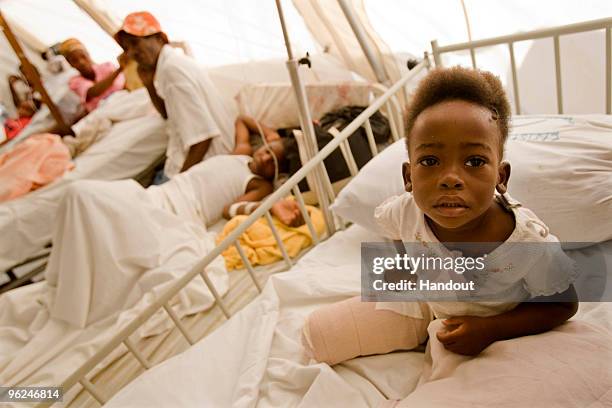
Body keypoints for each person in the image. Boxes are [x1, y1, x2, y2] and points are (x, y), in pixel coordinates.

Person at [303, 67, 578, 366]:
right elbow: (399, 232)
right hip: (428, 300)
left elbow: (565, 305)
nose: (450, 178)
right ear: (408, 177)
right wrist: (407, 269)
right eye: (431, 160)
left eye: (474, 161)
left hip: (495, 325)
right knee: (317, 337)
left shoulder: (527, 243)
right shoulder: (405, 210)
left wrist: (491, 329)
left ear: (501, 177)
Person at [114, 12, 235, 180]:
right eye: (126, 48)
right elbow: (167, 114)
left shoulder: (172, 71)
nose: (132, 53)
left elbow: (203, 139)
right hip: (204, 158)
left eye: (135, 43)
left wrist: (177, 185)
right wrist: (149, 85)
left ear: (160, 39)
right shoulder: (170, 66)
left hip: (207, 164)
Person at [59, 38, 126, 114]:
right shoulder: (74, 82)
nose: (81, 62)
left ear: (88, 54)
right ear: (70, 64)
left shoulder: (107, 66)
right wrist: (119, 69)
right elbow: (94, 92)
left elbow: (124, 85)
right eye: (75, 60)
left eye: (83, 56)